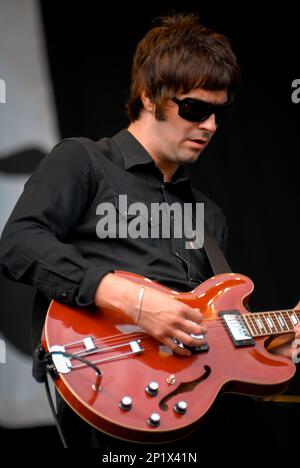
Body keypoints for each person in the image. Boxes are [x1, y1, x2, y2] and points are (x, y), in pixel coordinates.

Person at [0, 13, 299, 450]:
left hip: (206, 407)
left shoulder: (208, 216)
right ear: (148, 95)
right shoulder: (83, 161)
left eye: (219, 112)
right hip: (118, 390)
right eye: (195, 109)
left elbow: (215, 335)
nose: (210, 126)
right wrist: (135, 302)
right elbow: (19, 242)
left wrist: (274, 346)